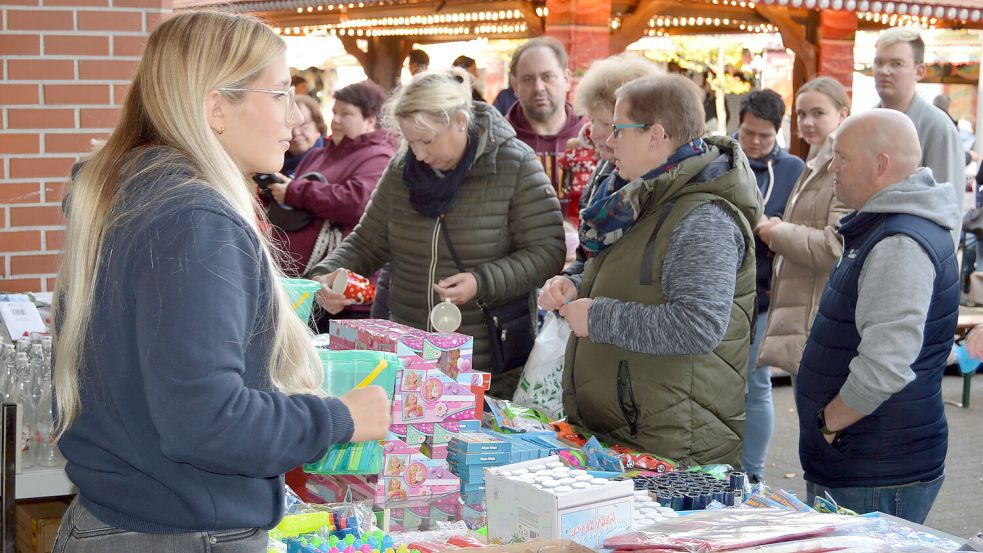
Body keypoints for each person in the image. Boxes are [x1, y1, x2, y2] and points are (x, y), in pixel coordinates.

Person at [50, 11, 391, 552]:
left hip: (130, 516)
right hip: (181, 530)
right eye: (280, 93)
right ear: (216, 109)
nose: (297, 114)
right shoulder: (193, 218)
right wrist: (339, 418)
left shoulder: (138, 191)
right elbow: (206, 421)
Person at [540, 74, 761, 467]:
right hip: (633, 429)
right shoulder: (641, 196)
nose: (608, 141)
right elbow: (626, 279)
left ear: (655, 135)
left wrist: (596, 316)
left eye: (619, 130)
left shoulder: (703, 216)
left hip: (674, 445)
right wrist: (572, 287)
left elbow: (697, 326)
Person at [309, 70, 565, 399]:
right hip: (406, 354)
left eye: (427, 140)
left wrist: (482, 281)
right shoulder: (402, 169)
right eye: (410, 141)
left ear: (460, 120)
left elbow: (548, 251)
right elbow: (367, 240)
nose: (418, 154)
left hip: (484, 361)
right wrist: (324, 277)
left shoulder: (514, 164)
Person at [796, 109, 959, 524]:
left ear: (881, 164)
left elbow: (886, 364)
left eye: (843, 158)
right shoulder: (885, 229)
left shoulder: (899, 242)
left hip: (875, 468)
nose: (832, 167)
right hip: (866, 460)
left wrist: (830, 423)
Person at [756, 76, 851, 390]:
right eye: (801, 114)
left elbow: (836, 246)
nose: (808, 122)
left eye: (818, 113)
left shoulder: (842, 165)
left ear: (842, 114)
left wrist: (778, 232)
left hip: (821, 314)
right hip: (806, 311)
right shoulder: (816, 160)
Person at [735, 88, 805, 483]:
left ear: (777, 131)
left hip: (764, 293)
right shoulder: (722, 160)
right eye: (748, 134)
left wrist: (779, 232)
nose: (755, 143)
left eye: (764, 136)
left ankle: (752, 475)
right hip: (721, 292)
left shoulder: (793, 169)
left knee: (756, 382)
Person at [266, 80, 395, 281]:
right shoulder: (317, 155)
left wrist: (295, 191)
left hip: (343, 288)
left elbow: (359, 204)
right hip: (300, 279)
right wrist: (274, 190)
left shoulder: (379, 157)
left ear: (370, 120)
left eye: (346, 114)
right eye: (335, 113)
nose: (336, 120)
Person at [559, 53, 661, 276]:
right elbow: (587, 260)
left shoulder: (665, 186)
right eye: (591, 121)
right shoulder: (603, 174)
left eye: (607, 123)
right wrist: (569, 282)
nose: (595, 134)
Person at [874, 28, 963, 243]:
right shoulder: (867, 122)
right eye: (879, 62)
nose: (885, 71)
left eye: (896, 64)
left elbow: (948, 210)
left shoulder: (937, 126)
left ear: (919, 71)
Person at [505, 37, 584, 203]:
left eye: (547, 77)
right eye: (527, 79)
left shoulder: (594, 137)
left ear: (567, 79)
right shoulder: (499, 142)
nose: (538, 87)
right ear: (515, 86)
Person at [281, 95, 325, 177]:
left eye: (303, 124)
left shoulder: (331, 163)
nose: (295, 132)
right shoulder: (274, 169)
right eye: (288, 126)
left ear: (318, 127)